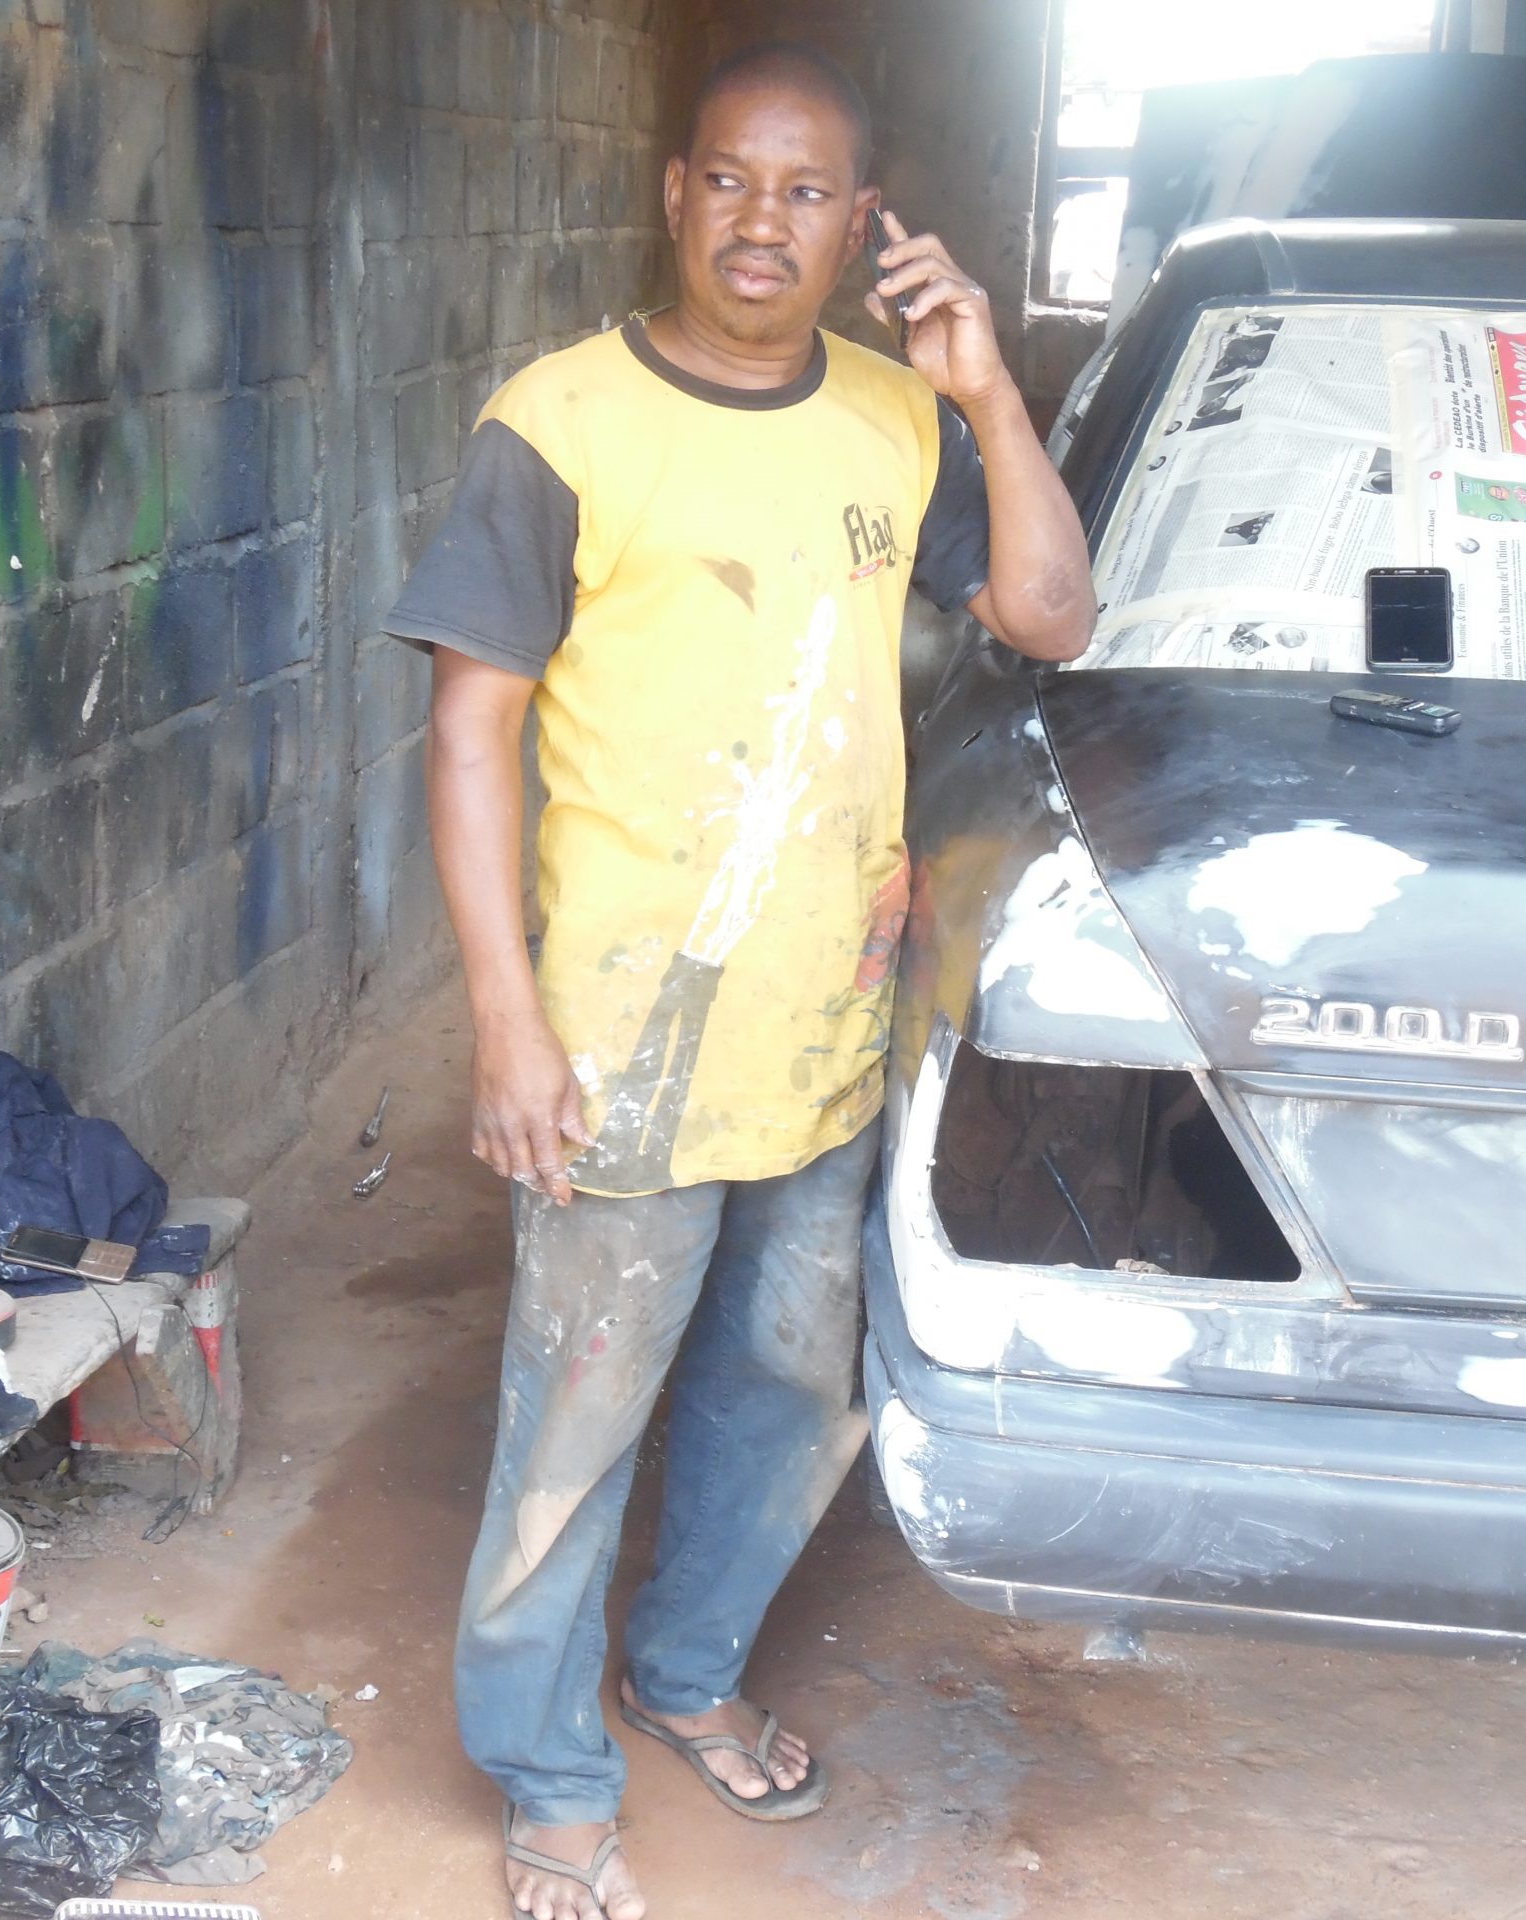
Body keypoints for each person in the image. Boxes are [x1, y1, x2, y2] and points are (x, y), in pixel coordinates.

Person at [382, 40, 1094, 1920]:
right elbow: (472, 737)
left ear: (865, 224)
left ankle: (681, 1676)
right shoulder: (559, 424)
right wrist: (506, 1019)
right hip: (617, 1031)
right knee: (581, 1410)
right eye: (728, 181)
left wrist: (991, 393)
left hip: (825, 1023)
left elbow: (1049, 614)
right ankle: (547, 1774)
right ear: (675, 194)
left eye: (806, 193)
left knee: (791, 1391)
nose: (760, 221)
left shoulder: (893, 417)